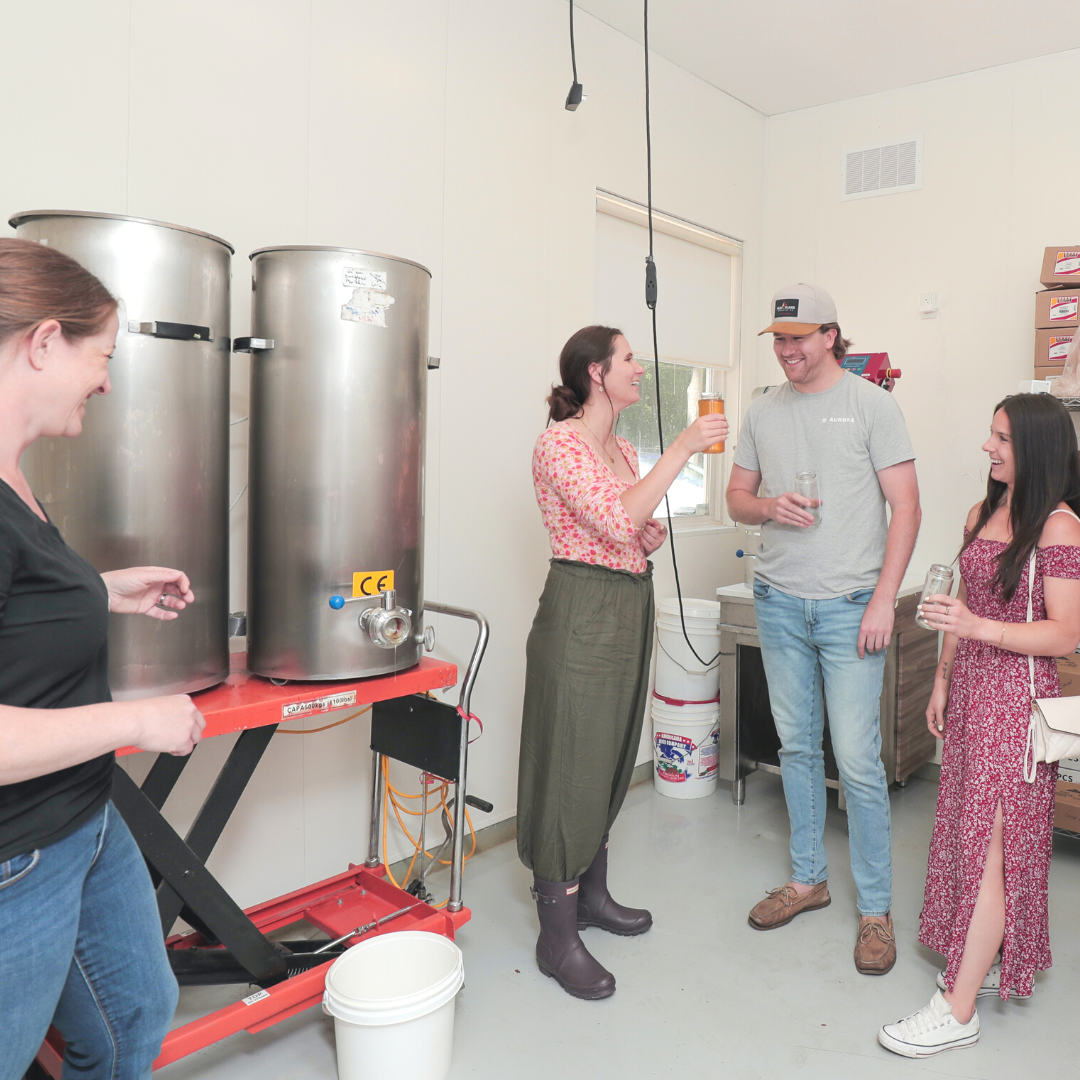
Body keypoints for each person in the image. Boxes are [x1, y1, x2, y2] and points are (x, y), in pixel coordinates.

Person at [0, 238, 206, 1080]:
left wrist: (102, 588)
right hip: (19, 855)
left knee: (135, 1015)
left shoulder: (13, 475)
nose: (109, 381)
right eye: (103, 357)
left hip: (84, 818)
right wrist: (138, 720)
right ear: (43, 341)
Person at [517, 324, 727, 999]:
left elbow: (630, 523)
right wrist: (685, 449)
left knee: (607, 755)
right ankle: (557, 937)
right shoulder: (561, 444)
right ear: (595, 374)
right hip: (582, 612)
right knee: (571, 762)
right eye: (629, 359)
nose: (640, 368)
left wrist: (649, 526)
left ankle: (593, 898)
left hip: (629, 602)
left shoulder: (622, 447)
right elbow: (612, 519)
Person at [725, 283, 921, 975]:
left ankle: (875, 911)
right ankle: (807, 881)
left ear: (831, 336)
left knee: (859, 763)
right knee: (797, 748)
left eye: (799, 339)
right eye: (779, 340)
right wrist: (768, 507)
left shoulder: (873, 405)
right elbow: (737, 499)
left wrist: (883, 602)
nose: (787, 352)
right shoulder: (762, 412)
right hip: (779, 601)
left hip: (849, 607)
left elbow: (907, 508)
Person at [878, 394, 1080, 1057]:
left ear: (1038, 448)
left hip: (1016, 705)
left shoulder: (1059, 527)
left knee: (996, 847)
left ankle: (957, 1008)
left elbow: (1066, 633)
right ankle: (981, 959)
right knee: (970, 837)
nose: (988, 449)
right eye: (990, 435)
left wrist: (976, 629)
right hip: (968, 695)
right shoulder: (982, 512)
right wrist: (941, 676)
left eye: (1002, 439)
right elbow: (961, 604)